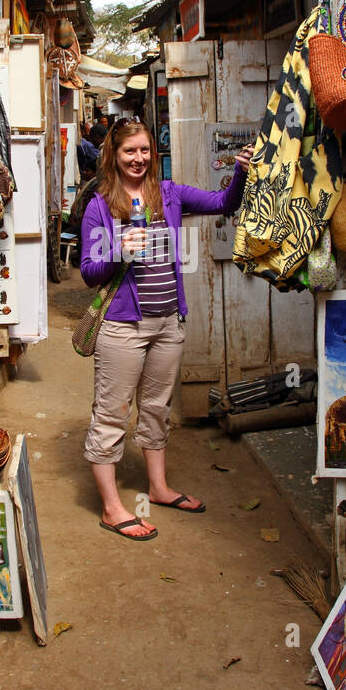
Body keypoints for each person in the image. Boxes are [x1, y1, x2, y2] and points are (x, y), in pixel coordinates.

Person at [80, 119, 254, 540]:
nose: (138, 159)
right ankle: (111, 507)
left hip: (168, 322)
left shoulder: (170, 194)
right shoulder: (100, 205)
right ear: (114, 155)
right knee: (113, 414)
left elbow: (222, 204)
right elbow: (87, 272)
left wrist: (241, 175)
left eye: (144, 150)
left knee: (157, 407)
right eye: (129, 152)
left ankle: (157, 488)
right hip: (122, 326)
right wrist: (119, 251)